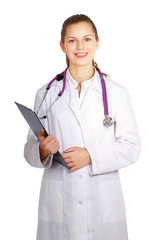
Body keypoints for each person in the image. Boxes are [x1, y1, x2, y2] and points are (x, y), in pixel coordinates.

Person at [24, 14, 141, 240]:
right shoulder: (46, 94)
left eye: (87, 39)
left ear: (97, 42)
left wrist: (90, 156)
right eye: (72, 40)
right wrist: (41, 150)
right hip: (59, 203)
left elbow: (132, 146)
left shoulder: (116, 93)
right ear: (62, 45)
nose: (80, 47)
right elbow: (29, 147)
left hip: (103, 204)